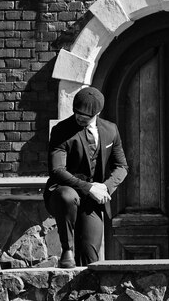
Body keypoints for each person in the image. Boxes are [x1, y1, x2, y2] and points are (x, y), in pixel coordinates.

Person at [43, 86, 128, 268]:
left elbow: (122, 167)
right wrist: (89, 188)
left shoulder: (110, 130)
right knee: (67, 195)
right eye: (77, 113)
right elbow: (57, 170)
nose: (79, 117)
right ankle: (67, 250)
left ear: (97, 112)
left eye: (85, 116)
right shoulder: (61, 131)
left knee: (90, 257)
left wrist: (105, 187)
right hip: (64, 192)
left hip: (93, 200)